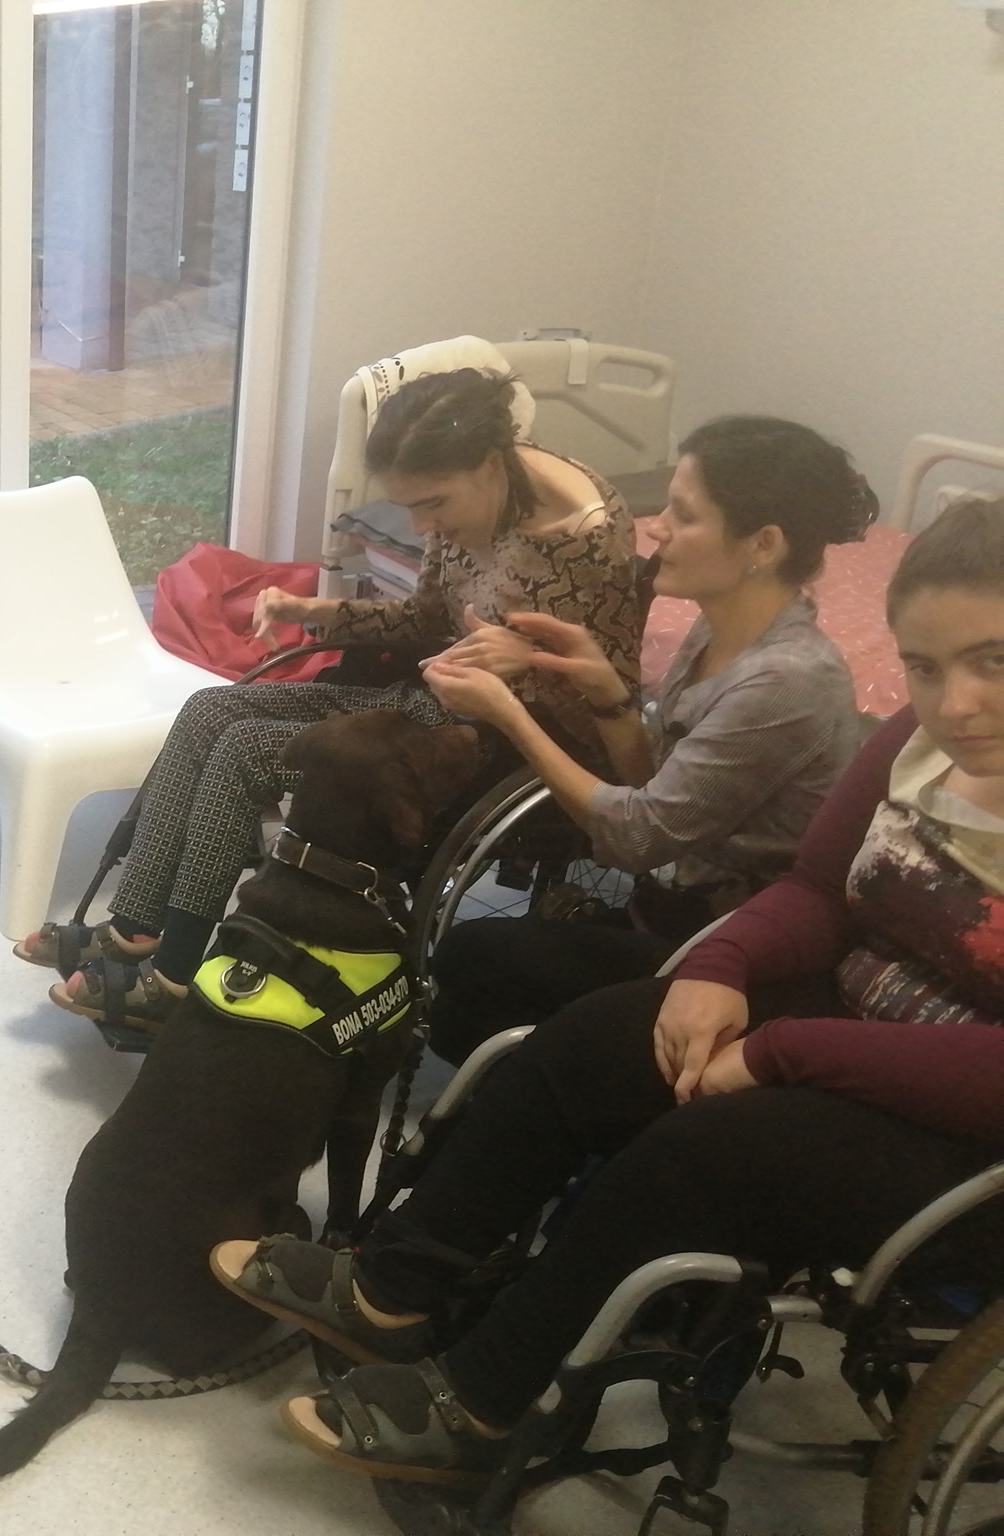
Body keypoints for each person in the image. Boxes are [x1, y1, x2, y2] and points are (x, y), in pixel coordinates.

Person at [210, 496, 1004, 1488]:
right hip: (849, 1015)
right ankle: (390, 1287)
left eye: (992, 661)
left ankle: (484, 1405)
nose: (954, 704)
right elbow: (814, 890)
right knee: (589, 1041)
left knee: (693, 1155)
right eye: (924, 667)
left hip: (967, 1132)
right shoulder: (912, 746)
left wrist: (777, 1052)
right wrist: (716, 967)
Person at [16, 367, 643, 1031]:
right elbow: (426, 620)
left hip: (501, 743)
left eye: (434, 504)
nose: (422, 524)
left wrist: (532, 660)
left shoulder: (585, 538)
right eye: (409, 507)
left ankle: (172, 979)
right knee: (208, 709)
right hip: (430, 699)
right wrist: (312, 610)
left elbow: (611, 705)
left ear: (491, 464)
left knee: (248, 751)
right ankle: (136, 926)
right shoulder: (468, 490)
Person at [418, 416, 876, 1066]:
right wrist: (606, 692)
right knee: (464, 993)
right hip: (665, 908)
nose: (655, 527)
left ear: (763, 544)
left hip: (723, 950)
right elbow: (655, 782)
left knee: (473, 960)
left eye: (683, 515)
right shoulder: (715, 633)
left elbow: (639, 837)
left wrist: (508, 715)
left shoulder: (786, 682)